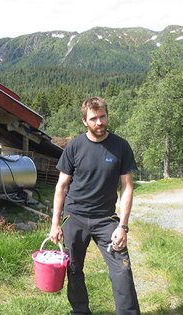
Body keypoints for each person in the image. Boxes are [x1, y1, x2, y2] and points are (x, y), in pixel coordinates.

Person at [49, 96, 140, 314]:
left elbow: (127, 187)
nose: (99, 122)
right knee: (73, 269)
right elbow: (61, 186)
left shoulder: (121, 146)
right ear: (84, 121)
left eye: (102, 117)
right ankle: (80, 311)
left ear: (107, 116)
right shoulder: (74, 147)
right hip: (75, 217)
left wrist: (123, 226)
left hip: (106, 219)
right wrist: (55, 223)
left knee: (122, 269)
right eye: (93, 118)